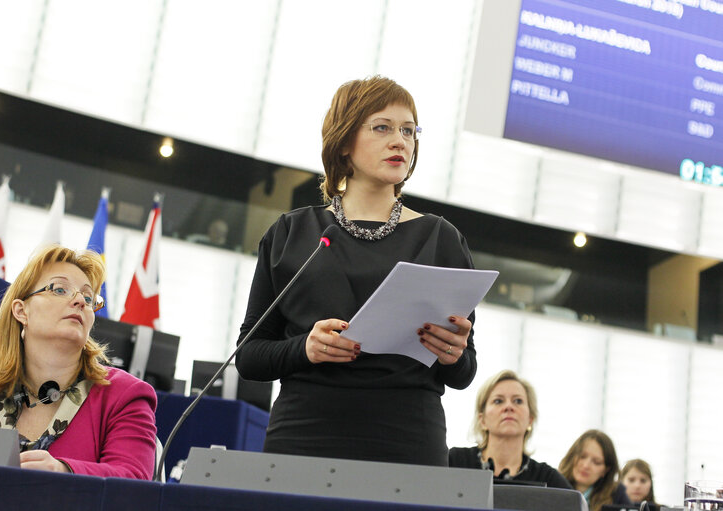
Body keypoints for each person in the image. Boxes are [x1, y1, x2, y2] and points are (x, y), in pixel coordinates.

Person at [235, 76, 477, 467]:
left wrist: (454, 354)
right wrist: (305, 348)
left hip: (408, 444)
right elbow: (249, 356)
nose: (400, 141)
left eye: (409, 130)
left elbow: (465, 372)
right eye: (382, 127)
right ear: (345, 142)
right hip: (304, 438)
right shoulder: (291, 233)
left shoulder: (442, 239)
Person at [0, 245, 157, 479]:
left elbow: (134, 480)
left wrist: (63, 471)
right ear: (21, 311)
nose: (80, 301)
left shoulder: (125, 395)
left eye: (88, 298)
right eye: (60, 290)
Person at [448, 369, 571, 488]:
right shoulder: (454, 461)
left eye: (518, 401)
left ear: (530, 419)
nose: (508, 407)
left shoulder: (547, 479)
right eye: (498, 401)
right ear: (482, 420)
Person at [559, 429, 630, 511]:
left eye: (597, 462)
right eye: (582, 456)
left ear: (606, 470)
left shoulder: (617, 494)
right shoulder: (553, 483)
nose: (586, 466)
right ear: (572, 456)